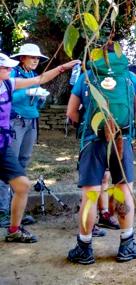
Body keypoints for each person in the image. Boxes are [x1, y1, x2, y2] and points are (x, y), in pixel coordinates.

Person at [66, 48, 136, 264]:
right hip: (122, 140)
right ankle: (127, 245)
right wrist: (127, 127)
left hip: (93, 140)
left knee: (90, 194)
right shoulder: (129, 77)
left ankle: (84, 247)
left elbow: (71, 112)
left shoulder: (87, 76)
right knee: (123, 191)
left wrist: (87, 126)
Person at [0, 52, 80, 243]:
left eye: (11, 67)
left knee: (22, 186)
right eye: (6, 68)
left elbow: (40, 78)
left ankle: (13, 230)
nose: (11, 70)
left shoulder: (8, 83)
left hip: (3, 145)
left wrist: (63, 67)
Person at [0, 44, 50, 228]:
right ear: (22, 58)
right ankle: (2, 211)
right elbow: (10, 98)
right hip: (15, 122)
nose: (36, 60)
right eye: (32, 57)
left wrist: (40, 99)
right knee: (8, 167)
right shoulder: (11, 74)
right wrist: (28, 93)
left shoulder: (31, 76)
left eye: (37, 58)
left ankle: (16, 211)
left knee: (22, 164)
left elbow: (34, 106)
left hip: (31, 122)